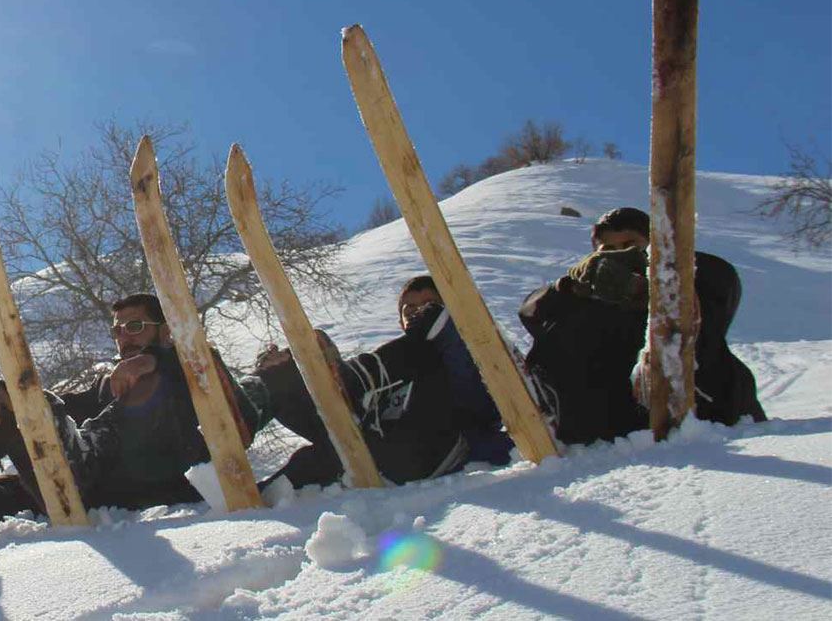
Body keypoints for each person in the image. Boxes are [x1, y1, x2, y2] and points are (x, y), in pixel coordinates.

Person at [0, 293, 268, 512]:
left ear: (165, 332)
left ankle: (83, 456)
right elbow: (55, 410)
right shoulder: (106, 386)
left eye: (135, 327)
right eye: (118, 331)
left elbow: (227, 396)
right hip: (85, 487)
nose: (125, 336)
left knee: (147, 387)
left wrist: (155, 360)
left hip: (153, 489)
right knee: (16, 417)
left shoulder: (193, 372)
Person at [519, 207, 764, 444]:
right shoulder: (589, 295)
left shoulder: (696, 275)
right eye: (609, 249)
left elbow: (720, 283)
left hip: (713, 418)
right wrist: (567, 287)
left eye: (630, 245)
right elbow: (531, 313)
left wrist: (646, 283)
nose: (619, 255)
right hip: (622, 429)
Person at [252, 276, 512, 490]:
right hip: (387, 455)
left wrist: (440, 321)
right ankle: (254, 411)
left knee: (432, 344)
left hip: (440, 447)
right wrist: (283, 379)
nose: (416, 311)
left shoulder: (463, 356)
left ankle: (349, 378)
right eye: (409, 309)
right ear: (400, 320)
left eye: (428, 304)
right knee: (324, 448)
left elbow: (483, 401)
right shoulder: (399, 371)